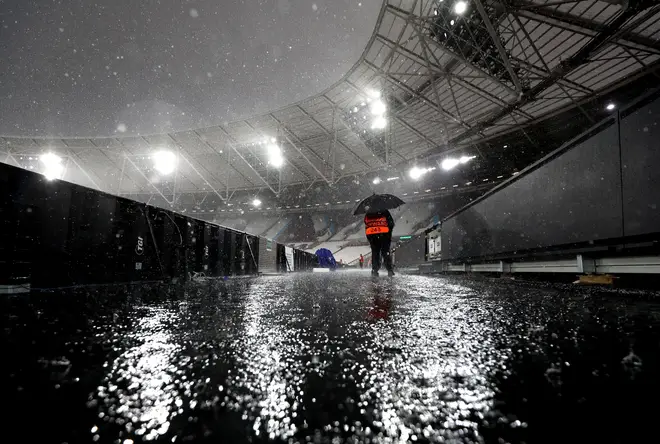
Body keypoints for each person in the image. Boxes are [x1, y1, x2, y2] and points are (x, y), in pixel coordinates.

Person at [364, 210, 395, 277]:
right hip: (384, 236)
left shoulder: (368, 213)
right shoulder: (385, 212)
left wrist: (370, 237)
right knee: (386, 252)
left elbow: (366, 225)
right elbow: (391, 224)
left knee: (375, 253)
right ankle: (389, 269)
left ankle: (375, 270)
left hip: (373, 237)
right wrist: (389, 232)